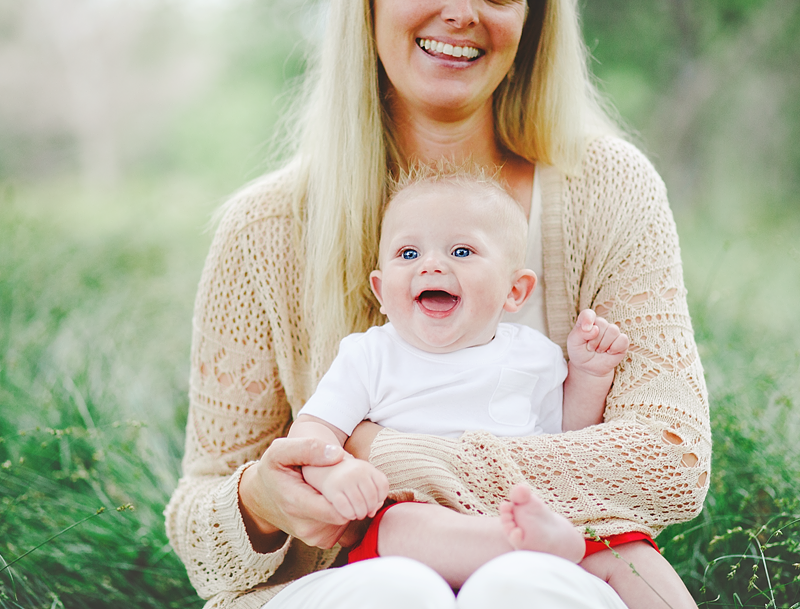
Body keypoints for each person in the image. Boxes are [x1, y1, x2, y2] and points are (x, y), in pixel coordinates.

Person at [164, 0, 711, 608]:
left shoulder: (610, 190)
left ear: (533, 19)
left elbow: (670, 461)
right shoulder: (266, 229)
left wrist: (384, 453)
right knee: (398, 589)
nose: (462, 11)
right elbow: (201, 540)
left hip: (549, 572)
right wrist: (260, 497)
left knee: (526, 586)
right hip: (348, 579)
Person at [289, 166, 696, 608]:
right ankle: (531, 545)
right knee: (399, 525)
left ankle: (541, 543)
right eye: (408, 254)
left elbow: (569, 435)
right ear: (381, 290)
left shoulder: (533, 355)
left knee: (630, 549)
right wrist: (337, 471)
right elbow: (311, 432)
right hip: (428, 515)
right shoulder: (368, 355)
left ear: (515, 291)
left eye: (462, 251)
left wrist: (590, 376)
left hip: (527, 507)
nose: (431, 264)